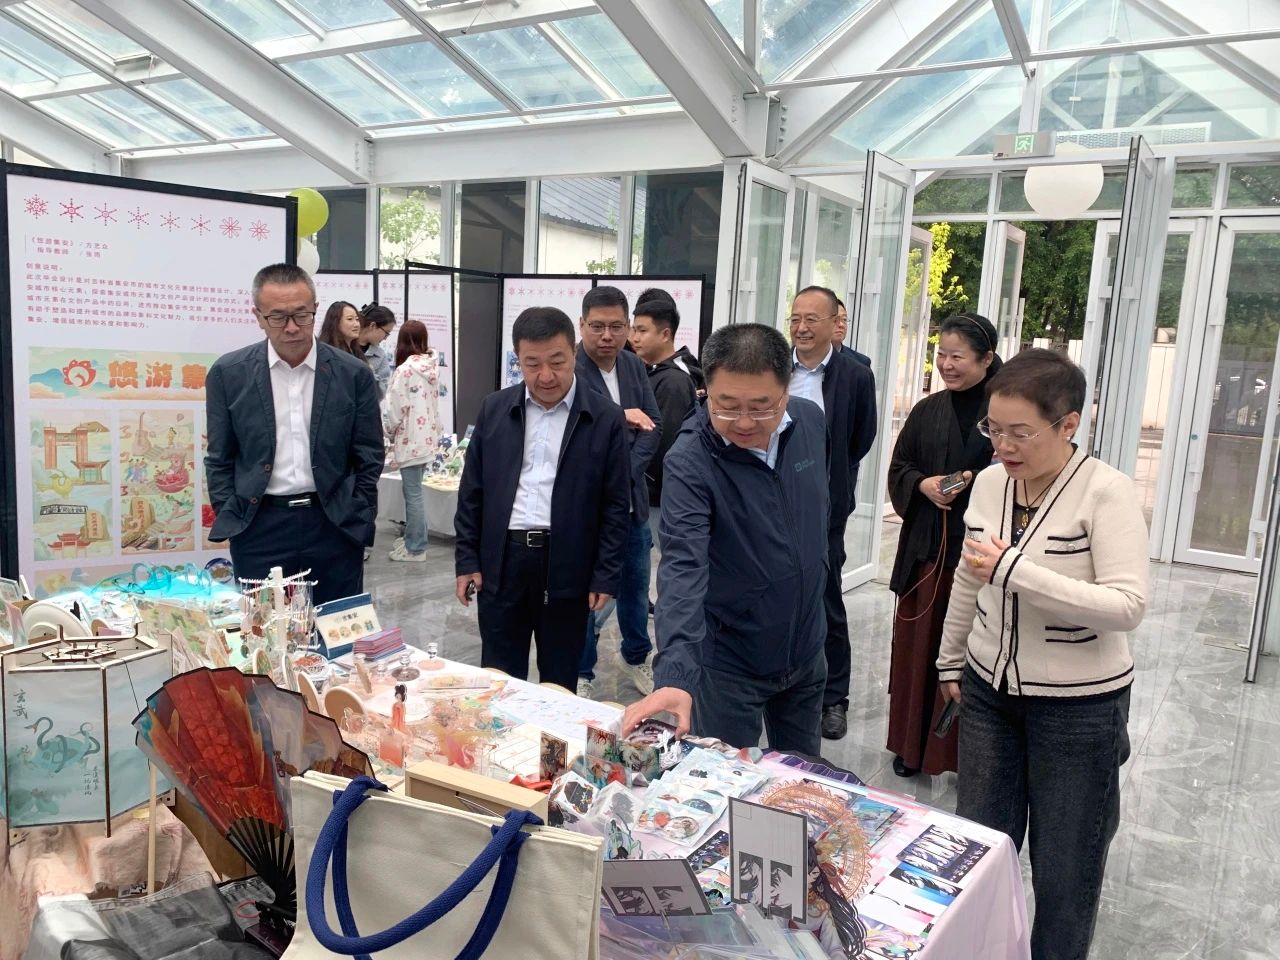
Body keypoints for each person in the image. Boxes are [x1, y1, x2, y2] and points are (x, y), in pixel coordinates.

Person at [937, 348, 1148, 960]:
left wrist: (1016, 569)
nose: (1003, 445)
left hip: (1078, 710)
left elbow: (1127, 605)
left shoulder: (1106, 493)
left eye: (1020, 432)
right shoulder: (990, 483)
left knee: (1065, 871)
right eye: (993, 429)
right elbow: (969, 577)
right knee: (981, 853)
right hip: (988, 695)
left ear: (1068, 424)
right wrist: (951, 659)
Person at [622, 324, 830, 755]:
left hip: (806, 648)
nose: (745, 422)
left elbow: (821, 513)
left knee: (802, 775)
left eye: (762, 406)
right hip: (730, 664)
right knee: (724, 780)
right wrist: (676, 676)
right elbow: (683, 567)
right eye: (728, 406)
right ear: (707, 392)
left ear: (786, 390)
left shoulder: (810, 422)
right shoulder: (690, 460)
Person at [454, 307, 630, 691]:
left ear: (574, 353)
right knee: (499, 678)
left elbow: (616, 505)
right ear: (518, 360)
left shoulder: (604, 417)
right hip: (504, 561)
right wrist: (467, 559)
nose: (545, 376)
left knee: (560, 680)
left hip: (568, 563)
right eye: (532, 364)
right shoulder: (495, 408)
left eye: (557, 362)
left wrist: (605, 574)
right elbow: (472, 492)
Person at [205, 263, 382, 606]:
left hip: (334, 522)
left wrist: (358, 509)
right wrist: (231, 512)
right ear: (258, 316)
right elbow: (220, 456)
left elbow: (369, 454)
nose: (291, 327)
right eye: (277, 317)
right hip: (260, 525)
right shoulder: (229, 374)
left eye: (301, 315)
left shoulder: (352, 374)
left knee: (337, 626)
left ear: (316, 309)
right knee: (265, 629)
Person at [885, 313, 1001, 777]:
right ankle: (911, 747)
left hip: (980, 555)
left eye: (958, 356)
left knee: (972, 657)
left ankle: (963, 759)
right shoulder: (927, 409)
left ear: (987, 359)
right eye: (941, 355)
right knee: (918, 653)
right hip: (927, 551)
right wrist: (923, 484)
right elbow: (900, 466)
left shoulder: (1005, 411)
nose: (946, 365)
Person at [787, 286, 877, 740]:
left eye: (811, 319)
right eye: (795, 318)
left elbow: (860, 439)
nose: (801, 328)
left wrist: (831, 481)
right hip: (774, 502)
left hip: (824, 507)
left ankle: (833, 698)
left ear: (834, 323)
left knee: (826, 598)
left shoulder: (855, 375)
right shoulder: (774, 367)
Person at [574, 286, 662, 700]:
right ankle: (581, 670)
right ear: (582, 326)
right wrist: (620, 416)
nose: (607, 335)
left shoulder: (631, 364)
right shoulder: (570, 368)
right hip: (588, 507)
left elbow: (653, 425)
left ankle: (636, 654)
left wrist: (625, 471)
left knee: (636, 588)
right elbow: (578, 428)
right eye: (597, 326)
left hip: (631, 501)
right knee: (588, 595)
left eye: (615, 326)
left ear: (628, 327)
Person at [628, 293, 697, 547]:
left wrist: (638, 478)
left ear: (665, 334)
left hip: (657, 496)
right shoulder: (651, 371)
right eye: (634, 330)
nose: (634, 337)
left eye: (642, 331)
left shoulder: (674, 381)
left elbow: (664, 443)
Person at [382, 319, 441, 563]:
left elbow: (394, 408)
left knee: (413, 494)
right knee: (415, 492)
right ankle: (413, 539)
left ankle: (416, 547)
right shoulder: (431, 366)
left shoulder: (405, 370)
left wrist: (388, 431)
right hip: (426, 438)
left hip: (410, 440)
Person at [357, 303, 397, 396]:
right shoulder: (344, 346)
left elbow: (382, 392)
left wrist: (370, 373)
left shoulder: (380, 356)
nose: (385, 338)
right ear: (373, 326)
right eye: (386, 333)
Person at [832, 298, 872, 367]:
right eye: (835, 319)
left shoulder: (861, 363)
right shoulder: (811, 357)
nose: (841, 324)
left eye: (844, 319)